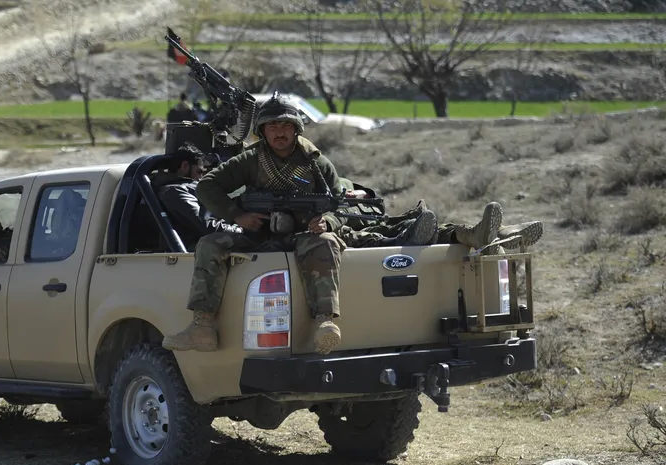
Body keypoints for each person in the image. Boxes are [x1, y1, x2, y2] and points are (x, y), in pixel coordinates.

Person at [163, 93, 348, 355]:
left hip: (302, 235)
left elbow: (341, 203)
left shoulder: (315, 162)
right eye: (272, 126)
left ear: (296, 129)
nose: (279, 132)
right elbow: (207, 186)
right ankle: (202, 326)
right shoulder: (251, 159)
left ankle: (324, 323)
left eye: (286, 125)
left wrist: (326, 222)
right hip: (257, 234)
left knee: (326, 243)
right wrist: (237, 215)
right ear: (262, 130)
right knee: (210, 244)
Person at [328, 178, 544, 253]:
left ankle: (486, 234)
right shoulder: (317, 186)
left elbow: (374, 203)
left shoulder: (333, 178)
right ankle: (494, 237)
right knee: (413, 228)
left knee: (419, 225)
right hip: (353, 231)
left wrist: (360, 194)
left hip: (374, 222)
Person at [152, 143, 243, 250]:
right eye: (199, 172)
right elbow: (206, 224)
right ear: (185, 166)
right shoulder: (175, 191)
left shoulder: (184, 188)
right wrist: (240, 229)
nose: (201, 178)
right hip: (196, 248)